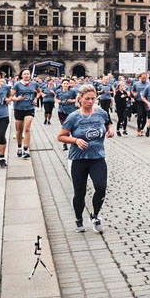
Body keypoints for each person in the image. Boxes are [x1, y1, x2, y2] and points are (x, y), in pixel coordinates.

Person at [58, 84, 115, 233]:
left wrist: (110, 130)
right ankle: (78, 219)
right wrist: (75, 140)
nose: (90, 102)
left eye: (93, 99)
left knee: (101, 188)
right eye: (87, 99)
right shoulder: (73, 117)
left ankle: (95, 216)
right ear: (80, 99)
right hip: (78, 159)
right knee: (80, 193)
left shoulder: (101, 113)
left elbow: (108, 123)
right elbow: (61, 136)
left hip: (97, 157)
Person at [11, 69, 41, 160]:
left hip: (30, 108)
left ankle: (26, 150)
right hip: (19, 108)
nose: (26, 75)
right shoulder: (17, 85)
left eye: (28, 74)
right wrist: (17, 99)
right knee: (19, 130)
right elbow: (10, 96)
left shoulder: (34, 84)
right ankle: (19, 147)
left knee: (27, 128)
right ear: (21, 75)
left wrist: (36, 98)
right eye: (24, 74)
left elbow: (39, 91)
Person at [55, 80, 79, 151]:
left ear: (69, 84)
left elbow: (78, 98)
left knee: (73, 126)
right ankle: (64, 143)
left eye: (67, 83)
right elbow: (56, 97)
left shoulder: (73, 91)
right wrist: (57, 101)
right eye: (64, 83)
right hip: (61, 110)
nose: (65, 85)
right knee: (64, 126)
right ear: (61, 84)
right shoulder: (58, 91)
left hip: (71, 111)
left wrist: (73, 100)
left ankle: (74, 140)